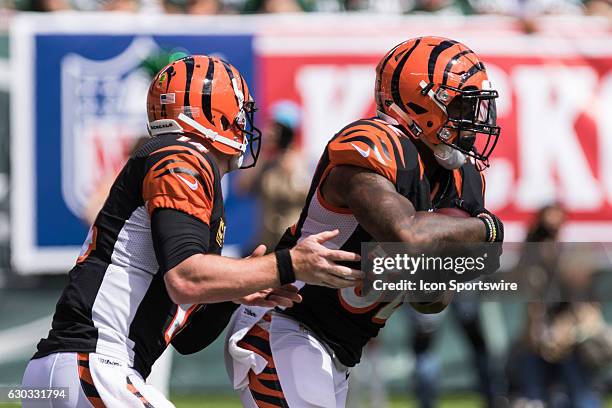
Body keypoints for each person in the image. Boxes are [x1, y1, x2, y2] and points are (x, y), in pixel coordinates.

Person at [21, 55, 362, 408]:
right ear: (216, 113)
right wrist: (289, 264)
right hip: (95, 365)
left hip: (75, 370)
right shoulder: (184, 156)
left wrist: (237, 289)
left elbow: (189, 339)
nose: (244, 124)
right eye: (240, 112)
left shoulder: (178, 160)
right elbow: (185, 278)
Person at [225, 36, 504, 407]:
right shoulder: (372, 146)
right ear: (421, 103)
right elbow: (409, 236)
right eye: (461, 105)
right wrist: (486, 231)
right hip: (285, 326)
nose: (473, 120)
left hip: (336, 351)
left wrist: (437, 270)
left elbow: (429, 302)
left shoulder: (460, 178)